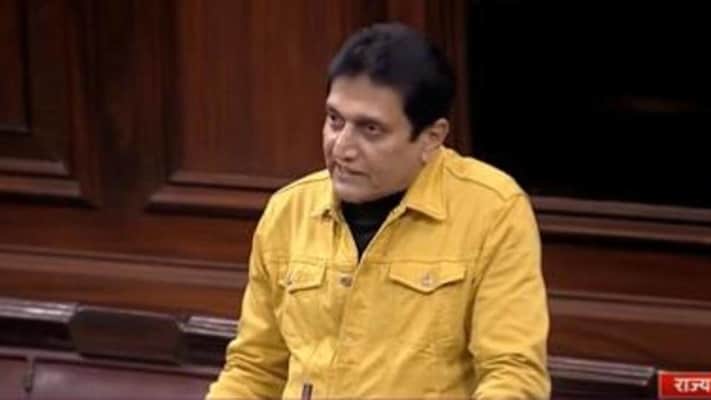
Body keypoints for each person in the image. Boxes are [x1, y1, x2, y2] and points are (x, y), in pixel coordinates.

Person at [207, 22, 550, 399]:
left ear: (432, 137)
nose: (341, 148)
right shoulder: (289, 211)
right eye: (334, 120)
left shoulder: (492, 210)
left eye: (370, 129)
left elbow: (512, 376)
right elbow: (254, 371)